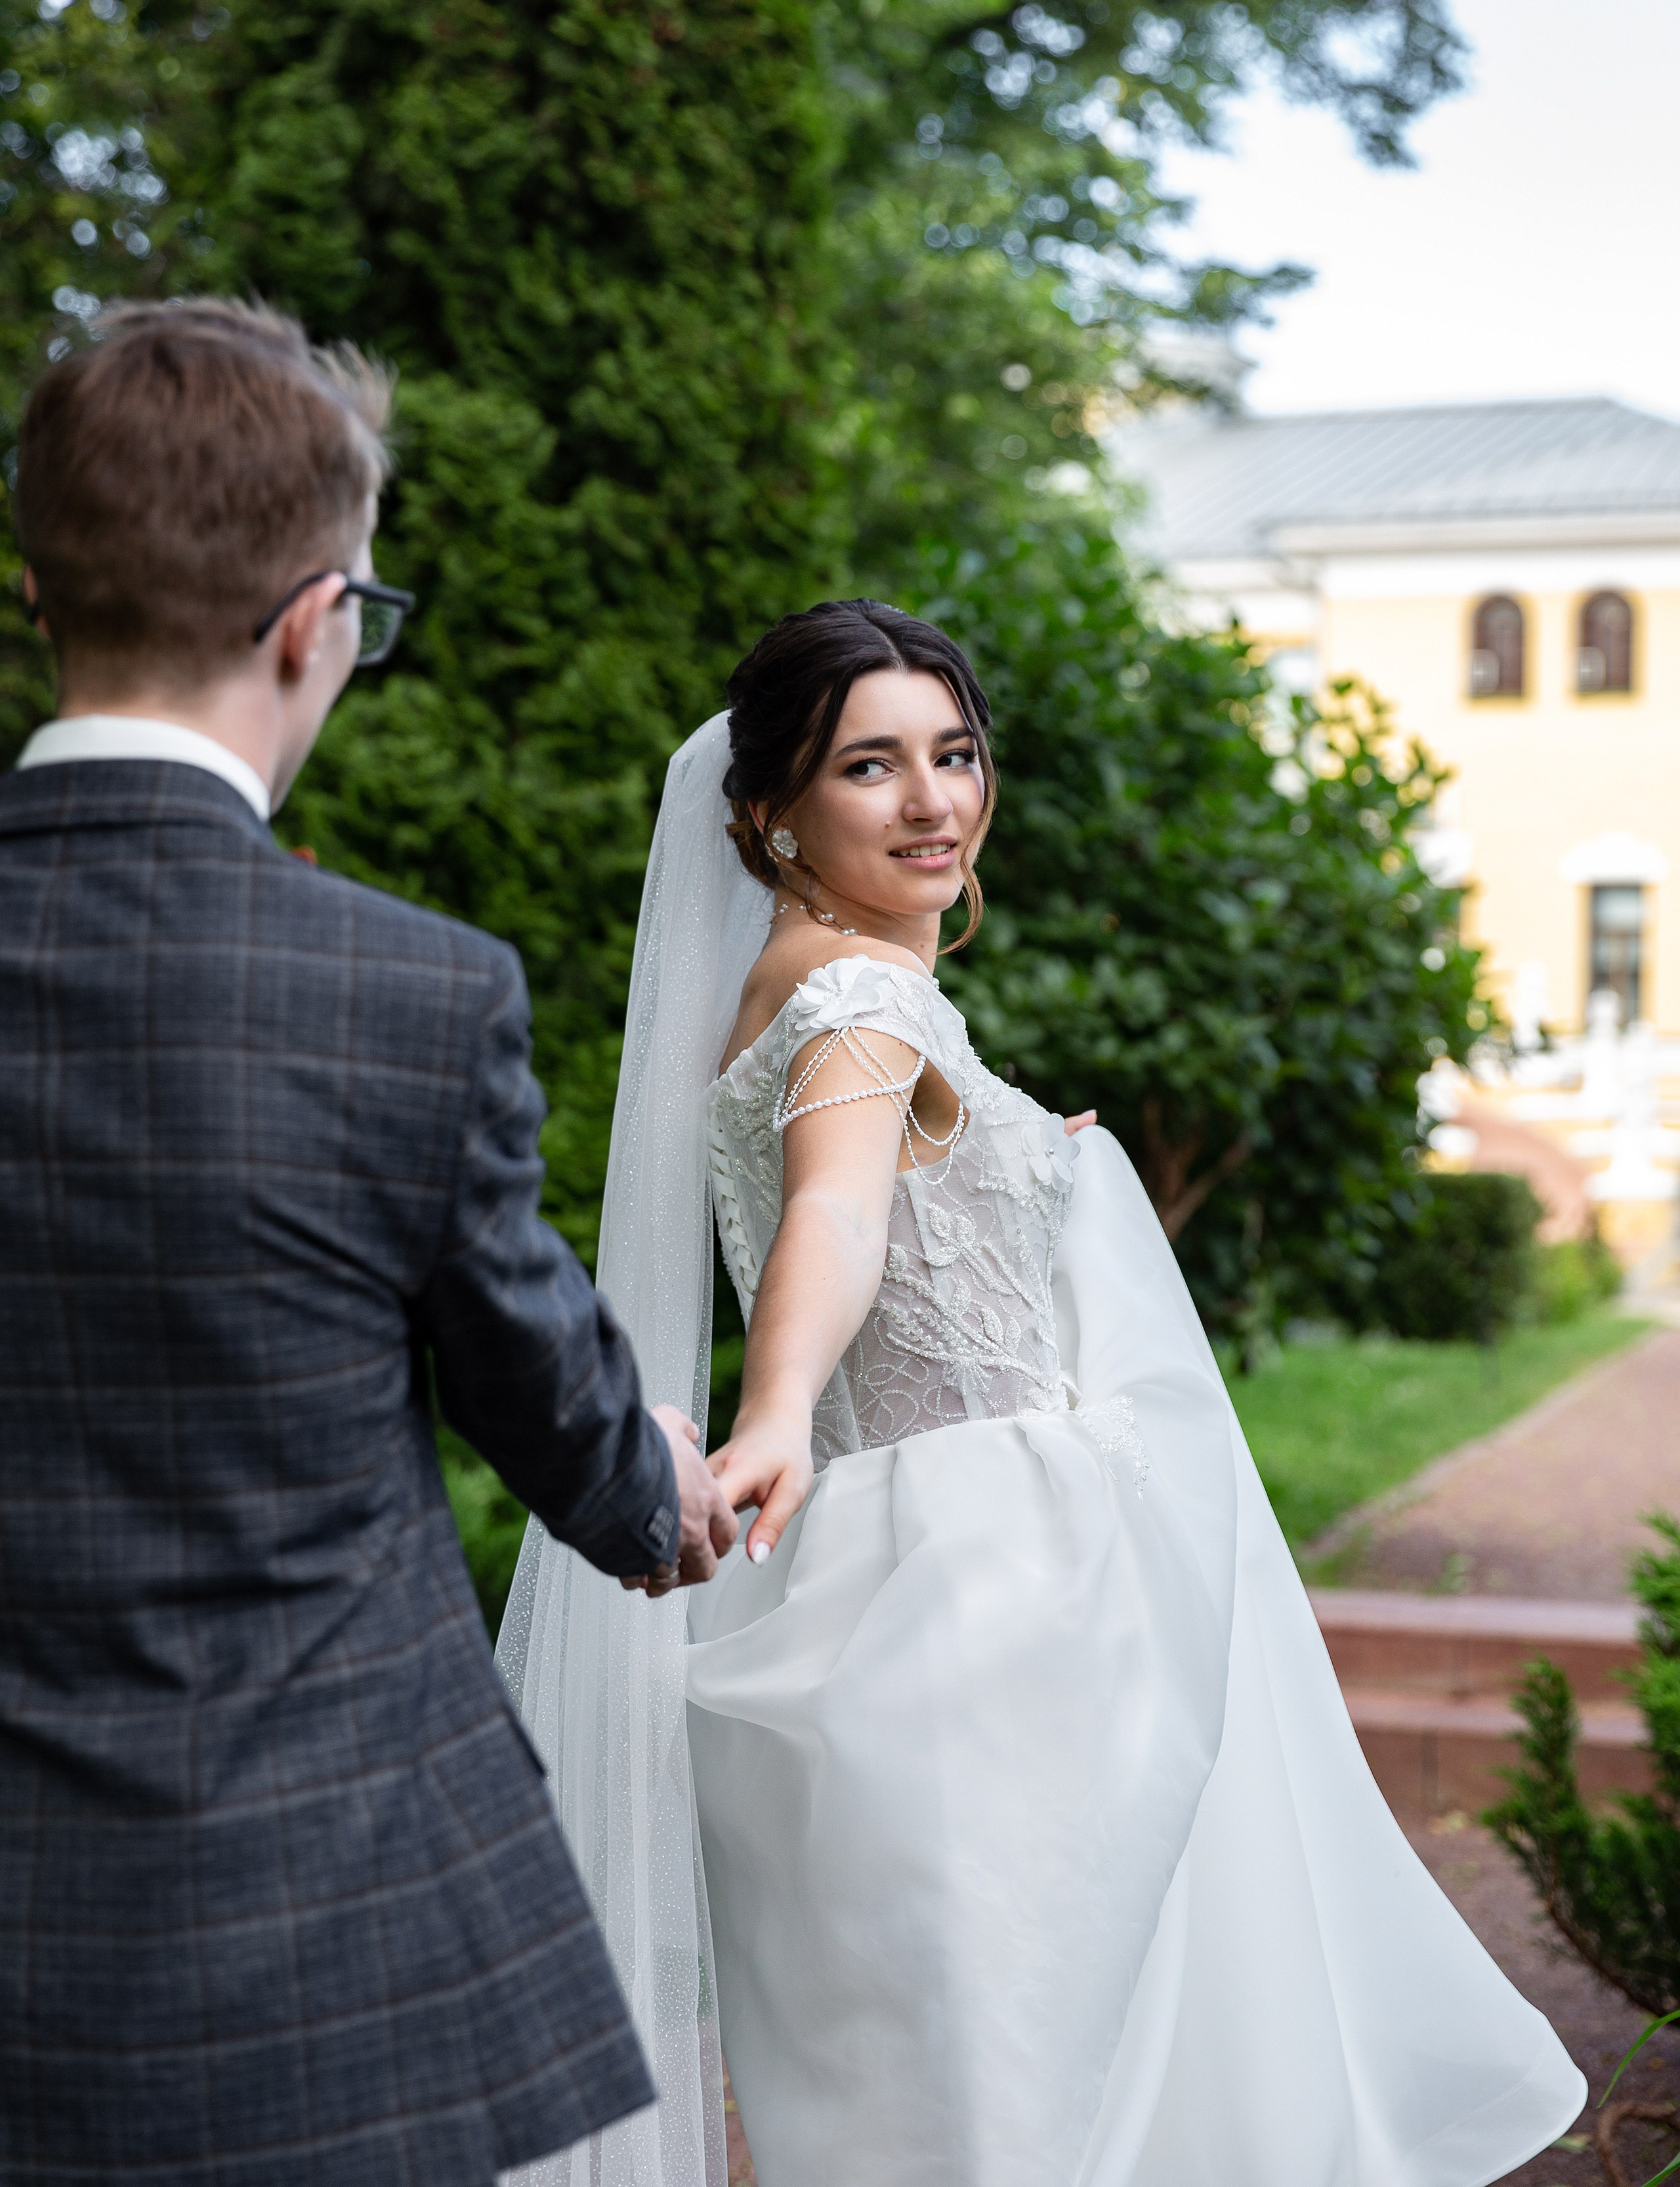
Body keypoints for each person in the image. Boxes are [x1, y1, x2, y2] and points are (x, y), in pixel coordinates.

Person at [500, 597, 1587, 2187]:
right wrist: (782, 1406)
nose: (932, 799)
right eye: (868, 767)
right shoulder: (860, 1005)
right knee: (1024, 2063)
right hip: (990, 1586)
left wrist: (1036, 1171)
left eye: (952, 753)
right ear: (768, 814)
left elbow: (877, 1192)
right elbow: (838, 1214)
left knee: (959, 2060)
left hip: (904, 1569)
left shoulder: (820, 989)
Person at [0, 299, 735, 2186]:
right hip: (315, 1947)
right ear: (317, 621)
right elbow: (542, 1380)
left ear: (40, 591)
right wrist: (657, 1497)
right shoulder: (403, 997)